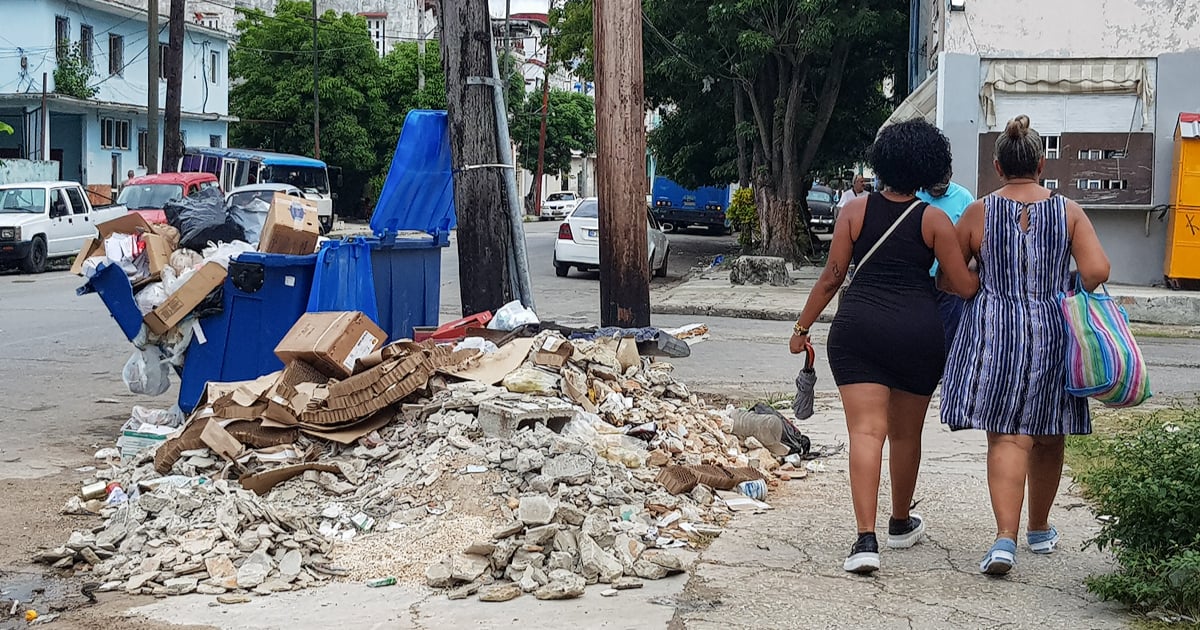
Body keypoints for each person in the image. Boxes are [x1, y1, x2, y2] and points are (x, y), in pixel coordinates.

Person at [789, 119, 979, 574]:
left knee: (866, 433)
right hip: (919, 334)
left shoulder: (853, 211)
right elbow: (962, 286)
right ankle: (899, 522)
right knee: (906, 434)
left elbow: (834, 276)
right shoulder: (934, 219)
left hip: (859, 332)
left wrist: (802, 326)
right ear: (926, 167)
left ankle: (864, 540)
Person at [941, 115, 1110, 575]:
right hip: (1053, 327)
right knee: (1050, 430)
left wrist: (982, 286)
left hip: (996, 329)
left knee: (1008, 434)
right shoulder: (1069, 211)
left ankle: (1004, 540)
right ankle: (1039, 528)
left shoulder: (979, 211)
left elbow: (950, 276)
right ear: (1041, 163)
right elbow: (1097, 272)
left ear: (997, 166)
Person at [917, 172, 976, 349]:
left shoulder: (964, 197)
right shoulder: (915, 196)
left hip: (951, 280)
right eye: (933, 189)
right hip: (920, 278)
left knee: (949, 333)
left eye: (941, 188)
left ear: (950, 175)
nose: (937, 192)